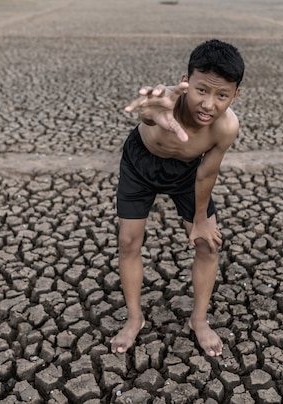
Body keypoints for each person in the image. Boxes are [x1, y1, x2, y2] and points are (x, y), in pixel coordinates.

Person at [111, 39, 245, 357]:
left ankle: (198, 320)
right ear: (186, 82)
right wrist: (149, 113)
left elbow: (207, 173)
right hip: (140, 164)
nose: (208, 104)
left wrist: (200, 219)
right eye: (201, 90)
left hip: (187, 174)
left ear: (235, 95)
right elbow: (149, 113)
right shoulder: (168, 101)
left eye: (222, 95)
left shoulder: (226, 128)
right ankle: (135, 318)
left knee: (207, 245)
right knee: (129, 241)